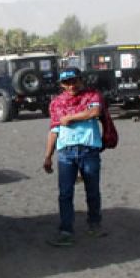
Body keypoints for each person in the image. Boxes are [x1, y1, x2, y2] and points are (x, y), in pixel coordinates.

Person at [41, 67, 105, 246]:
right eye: (67, 83)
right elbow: (54, 130)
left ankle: (94, 225)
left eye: (74, 81)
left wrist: (71, 118)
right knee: (65, 194)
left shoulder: (92, 95)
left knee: (92, 191)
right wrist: (48, 156)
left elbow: (95, 112)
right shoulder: (56, 103)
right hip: (65, 153)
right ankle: (66, 231)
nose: (71, 86)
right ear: (61, 85)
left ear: (81, 80)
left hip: (89, 150)